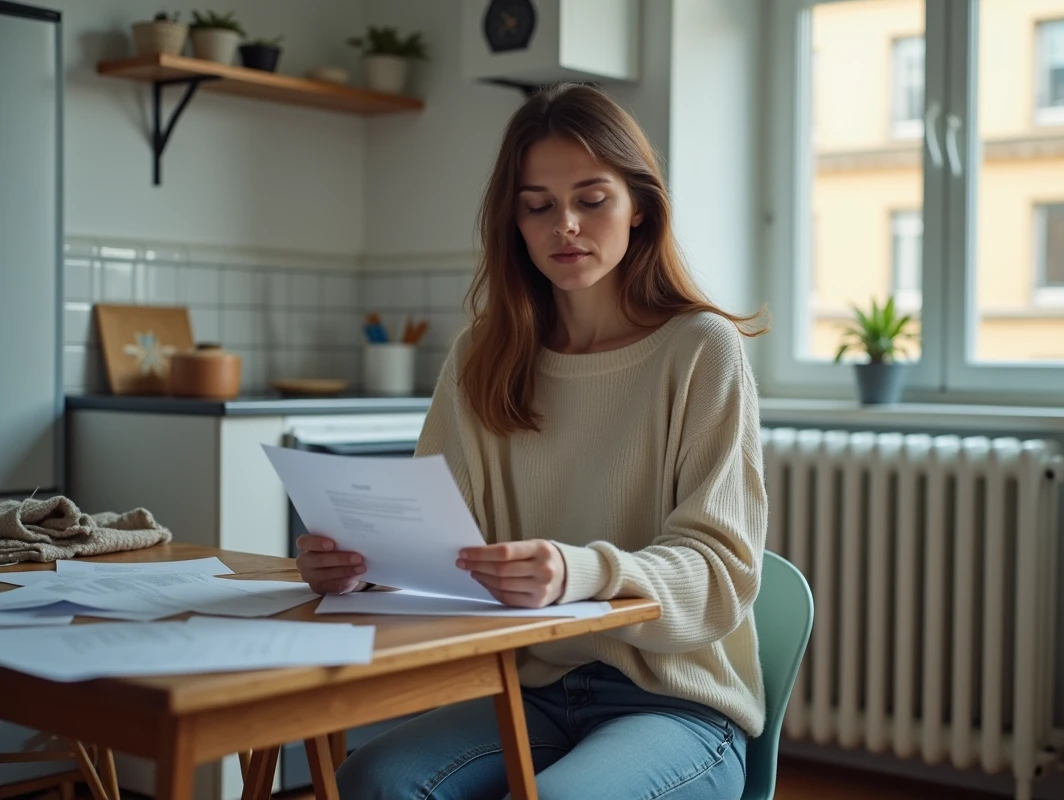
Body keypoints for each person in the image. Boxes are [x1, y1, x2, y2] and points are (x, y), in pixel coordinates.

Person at [296, 82, 769, 800]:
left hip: (677, 704)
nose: (565, 225)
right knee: (371, 783)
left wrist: (579, 571)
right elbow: (441, 542)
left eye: (592, 198)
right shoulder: (482, 356)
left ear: (639, 205)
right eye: (538, 205)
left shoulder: (702, 351)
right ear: (513, 221)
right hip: (527, 690)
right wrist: (364, 565)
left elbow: (721, 572)